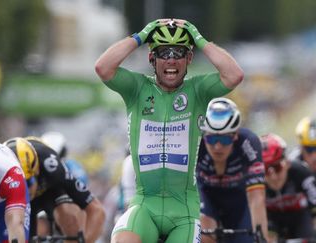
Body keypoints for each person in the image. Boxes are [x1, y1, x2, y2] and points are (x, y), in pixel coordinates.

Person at [95, 17, 244, 243]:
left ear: (189, 58)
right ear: (152, 58)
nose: (171, 61)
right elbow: (103, 68)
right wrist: (142, 35)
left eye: (179, 53)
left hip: (184, 211)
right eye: (164, 53)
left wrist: (198, 38)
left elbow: (234, 75)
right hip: (145, 204)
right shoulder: (137, 88)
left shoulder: (198, 90)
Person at [3, 136, 105, 243]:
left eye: (28, 183)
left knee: (70, 218)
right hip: (11, 195)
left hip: (49, 189)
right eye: (20, 184)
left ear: (37, 170)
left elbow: (97, 210)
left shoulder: (51, 166)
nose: (25, 189)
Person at [197, 98, 268, 243]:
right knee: (205, 236)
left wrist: (262, 238)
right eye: (211, 139)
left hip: (238, 200)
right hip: (206, 194)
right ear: (204, 135)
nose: (217, 147)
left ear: (235, 135)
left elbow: (257, 198)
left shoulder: (249, 143)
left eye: (224, 140)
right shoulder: (196, 142)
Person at [261, 133, 316, 241]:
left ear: (287, 163)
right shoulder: (255, 181)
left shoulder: (301, 173)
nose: (273, 177)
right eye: (266, 170)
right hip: (272, 222)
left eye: (277, 168)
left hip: (300, 219)